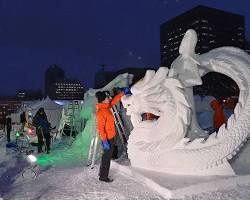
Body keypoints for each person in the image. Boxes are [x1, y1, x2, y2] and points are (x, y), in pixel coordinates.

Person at [95, 87, 130, 183]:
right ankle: (103, 177)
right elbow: (100, 128)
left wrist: (122, 93)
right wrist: (104, 140)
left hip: (111, 137)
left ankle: (101, 173)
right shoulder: (100, 112)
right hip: (107, 139)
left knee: (105, 157)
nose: (108, 98)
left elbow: (114, 100)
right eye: (106, 98)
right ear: (103, 100)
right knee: (107, 158)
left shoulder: (106, 107)